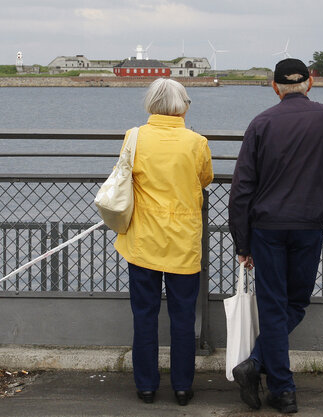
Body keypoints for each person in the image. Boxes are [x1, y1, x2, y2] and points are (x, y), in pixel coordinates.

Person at [227, 58, 323, 414]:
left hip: (266, 228)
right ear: (310, 83)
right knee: (296, 304)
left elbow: (241, 189)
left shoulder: (260, 123)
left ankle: (276, 382)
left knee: (275, 306)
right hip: (309, 225)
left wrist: (242, 242)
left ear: (274, 87)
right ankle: (275, 383)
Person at [114, 78, 214, 406]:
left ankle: (146, 385)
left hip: (143, 241)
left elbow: (123, 175)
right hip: (183, 242)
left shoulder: (135, 137)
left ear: (151, 104)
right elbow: (205, 178)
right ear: (182, 105)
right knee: (183, 316)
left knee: (144, 314)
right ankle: (183, 387)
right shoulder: (196, 142)